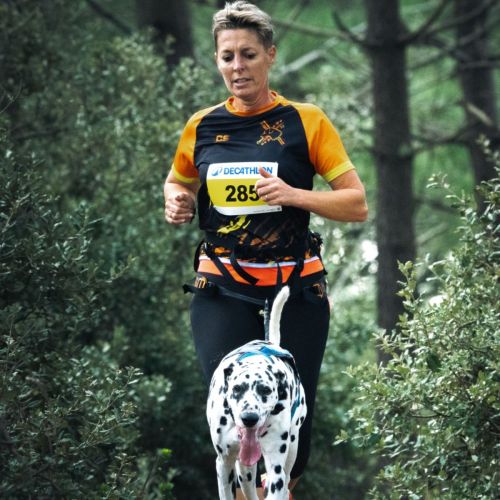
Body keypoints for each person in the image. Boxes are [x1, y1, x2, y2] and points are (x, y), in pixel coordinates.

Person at [164, 2, 367, 497]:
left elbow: (356, 203)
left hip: (294, 289)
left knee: (293, 436)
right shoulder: (202, 125)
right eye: (227, 56)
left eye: (249, 55)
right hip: (223, 288)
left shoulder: (306, 121)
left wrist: (293, 194)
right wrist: (177, 200)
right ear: (217, 60)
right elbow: (178, 181)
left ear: (270, 56)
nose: (238, 67)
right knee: (236, 424)